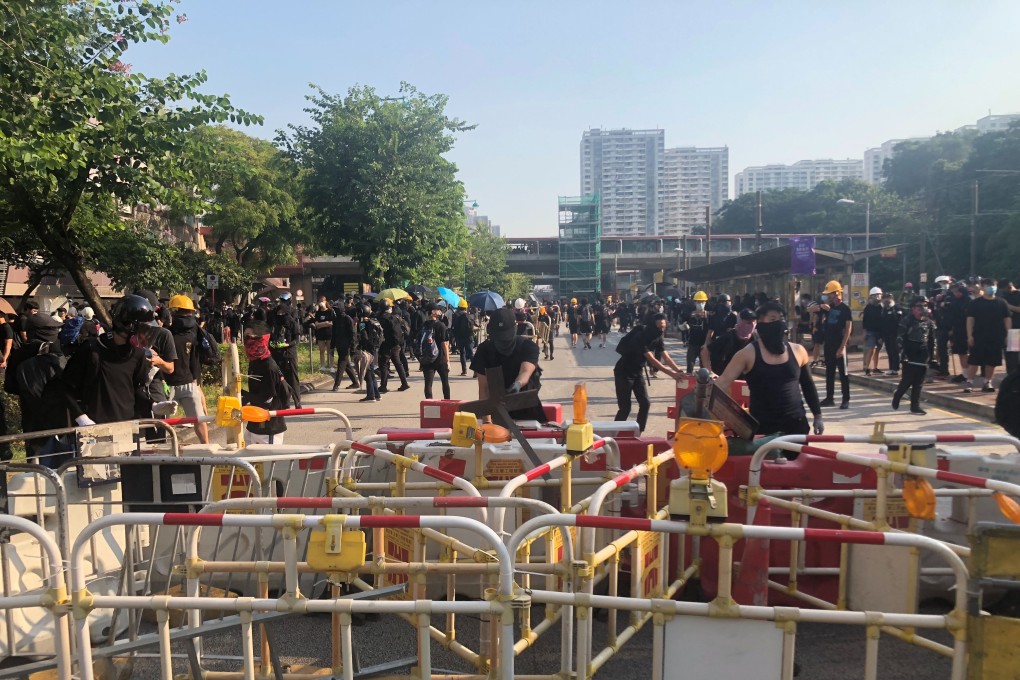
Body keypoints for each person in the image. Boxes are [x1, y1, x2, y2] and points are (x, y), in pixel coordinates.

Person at [716, 302, 824, 437]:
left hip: (796, 427)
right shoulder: (747, 354)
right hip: (762, 431)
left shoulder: (798, 351)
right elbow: (723, 382)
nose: (778, 324)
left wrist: (817, 415)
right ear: (760, 322)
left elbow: (808, 386)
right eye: (772, 319)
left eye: (781, 319)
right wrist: (699, 398)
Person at [59, 295, 152, 427]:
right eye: (143, 330)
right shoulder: (92, 349)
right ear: (127, 325)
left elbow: (138, 388)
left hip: (128, 426)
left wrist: (153, 405)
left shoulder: (138, 354)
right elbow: (66, 387)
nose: (145, 336)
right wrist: (80, 417)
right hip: (94, 426)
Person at [470, 308, 545, 422]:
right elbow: (484, 389)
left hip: (527, 408)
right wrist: (487, 422)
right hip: (497, 410)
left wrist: (518, 384)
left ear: (515, 328)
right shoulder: (484, 350)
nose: (503, 342)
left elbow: (525, 371)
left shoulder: (528, 346)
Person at [613, 313, 683, 432]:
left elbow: (666, 357)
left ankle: (639, 431)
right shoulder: (641, 336)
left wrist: (679, 371)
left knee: (645, 403)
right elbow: (653, 361)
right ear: (653, 325)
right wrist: (673, 375)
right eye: (659, 327)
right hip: (624, 372)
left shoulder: (658, 336)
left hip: (637, 371)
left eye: (663, 326)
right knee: (625, 408)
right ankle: (614, 432)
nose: (662, 329)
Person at [165, 295, 209, 443]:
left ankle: (163, 450)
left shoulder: (167, 332)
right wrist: (197, 384)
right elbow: (195, 360)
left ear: (174, 311)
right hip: (190, 382)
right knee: (199, 418)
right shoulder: (196, 331)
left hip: (168, 384)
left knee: (161, 423)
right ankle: (207, 448)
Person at [241, 323, 290, 445]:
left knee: (266, 462)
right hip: (254, 423)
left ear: (262, 338)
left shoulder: (269, 366)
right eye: (245, 337)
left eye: (250, 337)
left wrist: (243, 395)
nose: (247, 341)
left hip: (269, 425)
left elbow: (266, 399)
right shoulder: (254, 362)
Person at [962, 278, 1011, 393]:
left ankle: (987, 382)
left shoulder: (1001, 302)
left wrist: (1007, 334)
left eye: (993, 285)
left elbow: (1007, 319)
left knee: (992, 361)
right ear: (982, 287)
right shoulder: (975, 303)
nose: (991, 288)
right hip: (979, 335)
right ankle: (969, 382)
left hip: (996, 336)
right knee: (974, 360)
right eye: (988, 285)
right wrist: (970, 335)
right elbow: (970, 320)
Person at [893, 297, 937, 415]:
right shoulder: (906, 320)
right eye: (919, 306)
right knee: (907, 381)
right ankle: (898, 395)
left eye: (925, 306)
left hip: (923, 353)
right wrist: (902, 352)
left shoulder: (929, 322)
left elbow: (932, 340)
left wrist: (932, 357)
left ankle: (915, 406)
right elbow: (899, 337)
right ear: (913, 308)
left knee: (919, 383)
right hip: (909, 352)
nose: (923, 309)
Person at [814, 280, 852, 409]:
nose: (827, 297)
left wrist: (842, 347)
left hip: (840, 345)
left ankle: (845, 399)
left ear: (837, 293)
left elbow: (848, 329)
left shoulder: (845, 309)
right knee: (829, 373)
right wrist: (820, 307)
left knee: (843, 374)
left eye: (829, 294)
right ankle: (829, 398)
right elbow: (810, 309)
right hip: (828, 344)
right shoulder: (826, 308)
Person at [702, 308, 756, 375]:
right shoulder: (729, 336)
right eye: (748, 322)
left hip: (745, 381)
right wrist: (709, 372)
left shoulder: (756, 339)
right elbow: (705, 351)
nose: (752, 325)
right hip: (726, 378)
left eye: (754, 322)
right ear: (740, 321)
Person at [270, 303, 303, 408]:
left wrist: (287, 344)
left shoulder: (293, 324)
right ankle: (284, 402)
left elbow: (296, 340)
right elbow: (270, 337)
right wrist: (272, 343)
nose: (280, 315)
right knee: (280, 379)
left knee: (293, 378)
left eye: (283, 313)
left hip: (289, 354)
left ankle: (297, 402)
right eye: (278, 313)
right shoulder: (274, 324)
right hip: (277, 354)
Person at [417, 303, 452, 400]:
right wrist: (448, 360)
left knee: (428, 383)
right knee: (445, 382)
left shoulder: (423, 326)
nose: (440, 311)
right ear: (433, 312)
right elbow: (444, 344)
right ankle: (447, 405)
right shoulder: (441, 325)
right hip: (440, 358)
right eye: (438, 310)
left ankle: (429, 406)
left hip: (427, 359)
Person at [377, 299, 410, 393]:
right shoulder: (395, 317)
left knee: (383, 364)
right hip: (396, 344)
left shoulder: (381, 318)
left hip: (386, 344)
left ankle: (383, 386)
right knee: (398, 363)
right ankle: (404, 383)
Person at [944, 283, 972, 382]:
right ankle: (965, 372)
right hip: (957, 328)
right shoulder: (953, 300)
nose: (955, 293)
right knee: (960, 351)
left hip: (966, 328)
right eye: (954, 292)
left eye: (957, 291)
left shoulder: (968, 301)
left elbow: (965, 315)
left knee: (965, 352)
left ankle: (968, 373)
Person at [330, 305, 361, 391]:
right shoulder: (336, 319)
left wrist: (352, 347)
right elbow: (334, 334)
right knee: (346, 365)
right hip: (339, 345)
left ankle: (336, 384)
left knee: (341, 364)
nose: (335, 312)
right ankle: (355, 383)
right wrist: (332, 346)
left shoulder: (348, 319)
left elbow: (353, 333)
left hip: (346, 346)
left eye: (336, 310)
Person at [357, 304, 384, 402]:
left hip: (367, 350)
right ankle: (376, 394)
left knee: (368, 372)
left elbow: (363, 337)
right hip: (375, 349)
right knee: (372, 372)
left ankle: (371, 395)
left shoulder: (362, 324)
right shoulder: (375, 321)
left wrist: (360, 346)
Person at [879, 293, 903, 376]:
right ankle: (891, 368)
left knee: (894, 351)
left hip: (895, 333)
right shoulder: (883, 309)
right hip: (886, 334)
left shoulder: (897, 307)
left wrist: (893, 312)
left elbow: (899, 320)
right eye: (884, 298)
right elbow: (882, 323)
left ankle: (895, 368)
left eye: (888, 298)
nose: (886, 300)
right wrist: (881, 336)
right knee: (889, 351)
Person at [862, 287, 884, 376]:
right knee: (871, 349)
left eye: (879, 295)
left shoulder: (882, 307)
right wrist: (864, 332)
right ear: (871, 296)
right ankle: (867, 367)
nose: (877, 297)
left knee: (878, 350)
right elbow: (864, 320)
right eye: (875, 295)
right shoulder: (868, 307)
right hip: (870, 331)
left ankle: (875, 367)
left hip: (880, 332)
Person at [685, 291, 709, 373]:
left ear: (705, 302)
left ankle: (703, 382)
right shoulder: (690, 314)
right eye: (698, 302)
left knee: (704, 367)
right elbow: (683, 325)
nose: (700, 304)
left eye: (702, 302)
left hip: (703, 344)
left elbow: (711, 330)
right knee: (690, 364)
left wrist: (707, 343)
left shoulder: (708, 315)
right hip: (692, 343)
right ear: (695, 302)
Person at [312, 296, 336, 372]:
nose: (321, 303)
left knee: (330, 350)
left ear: (326, 302)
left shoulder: (330, 311)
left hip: (329, 333)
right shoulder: (318, 312)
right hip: (320, 334)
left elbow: (331, 323)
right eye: (320, 302)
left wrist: (321, 324)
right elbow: (316, 324)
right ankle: (322, 365)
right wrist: (325, 323)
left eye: (323, 301)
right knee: (321, 350)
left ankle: (332, 366)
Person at [1002, 280, 1020, 375]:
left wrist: (1008, 306)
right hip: (1011, 330)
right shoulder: (1004, 296)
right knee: (1011, 358)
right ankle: (1012, 379)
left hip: (1017, 328)